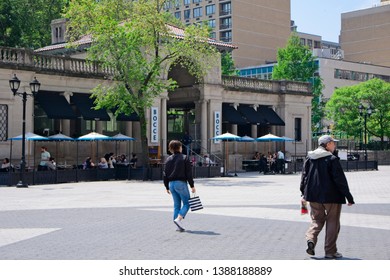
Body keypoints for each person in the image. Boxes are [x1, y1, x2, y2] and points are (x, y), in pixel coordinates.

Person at [300, 135, 355, 259]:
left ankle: (311, 239)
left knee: (316, 220)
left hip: (313, 195)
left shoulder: (310, 157)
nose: (334, 145)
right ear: (328, 144)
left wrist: (303, 193)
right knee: (332, 222)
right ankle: (330, 252)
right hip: (332, 196)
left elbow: (304, 176)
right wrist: (349, 197)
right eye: (333, 143)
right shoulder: (332, 159)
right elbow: (340, 180)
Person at [163, 140, 196, 232]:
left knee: (176, 205)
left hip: (171, 184)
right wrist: (192, 186)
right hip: (180, 183)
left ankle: (178, 226)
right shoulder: (184, 158)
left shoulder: (168, 159)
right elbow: (189, 173)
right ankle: (179, 219)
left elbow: (165, 174)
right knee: (187, 203)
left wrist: (166, 187)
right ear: (179, 148)